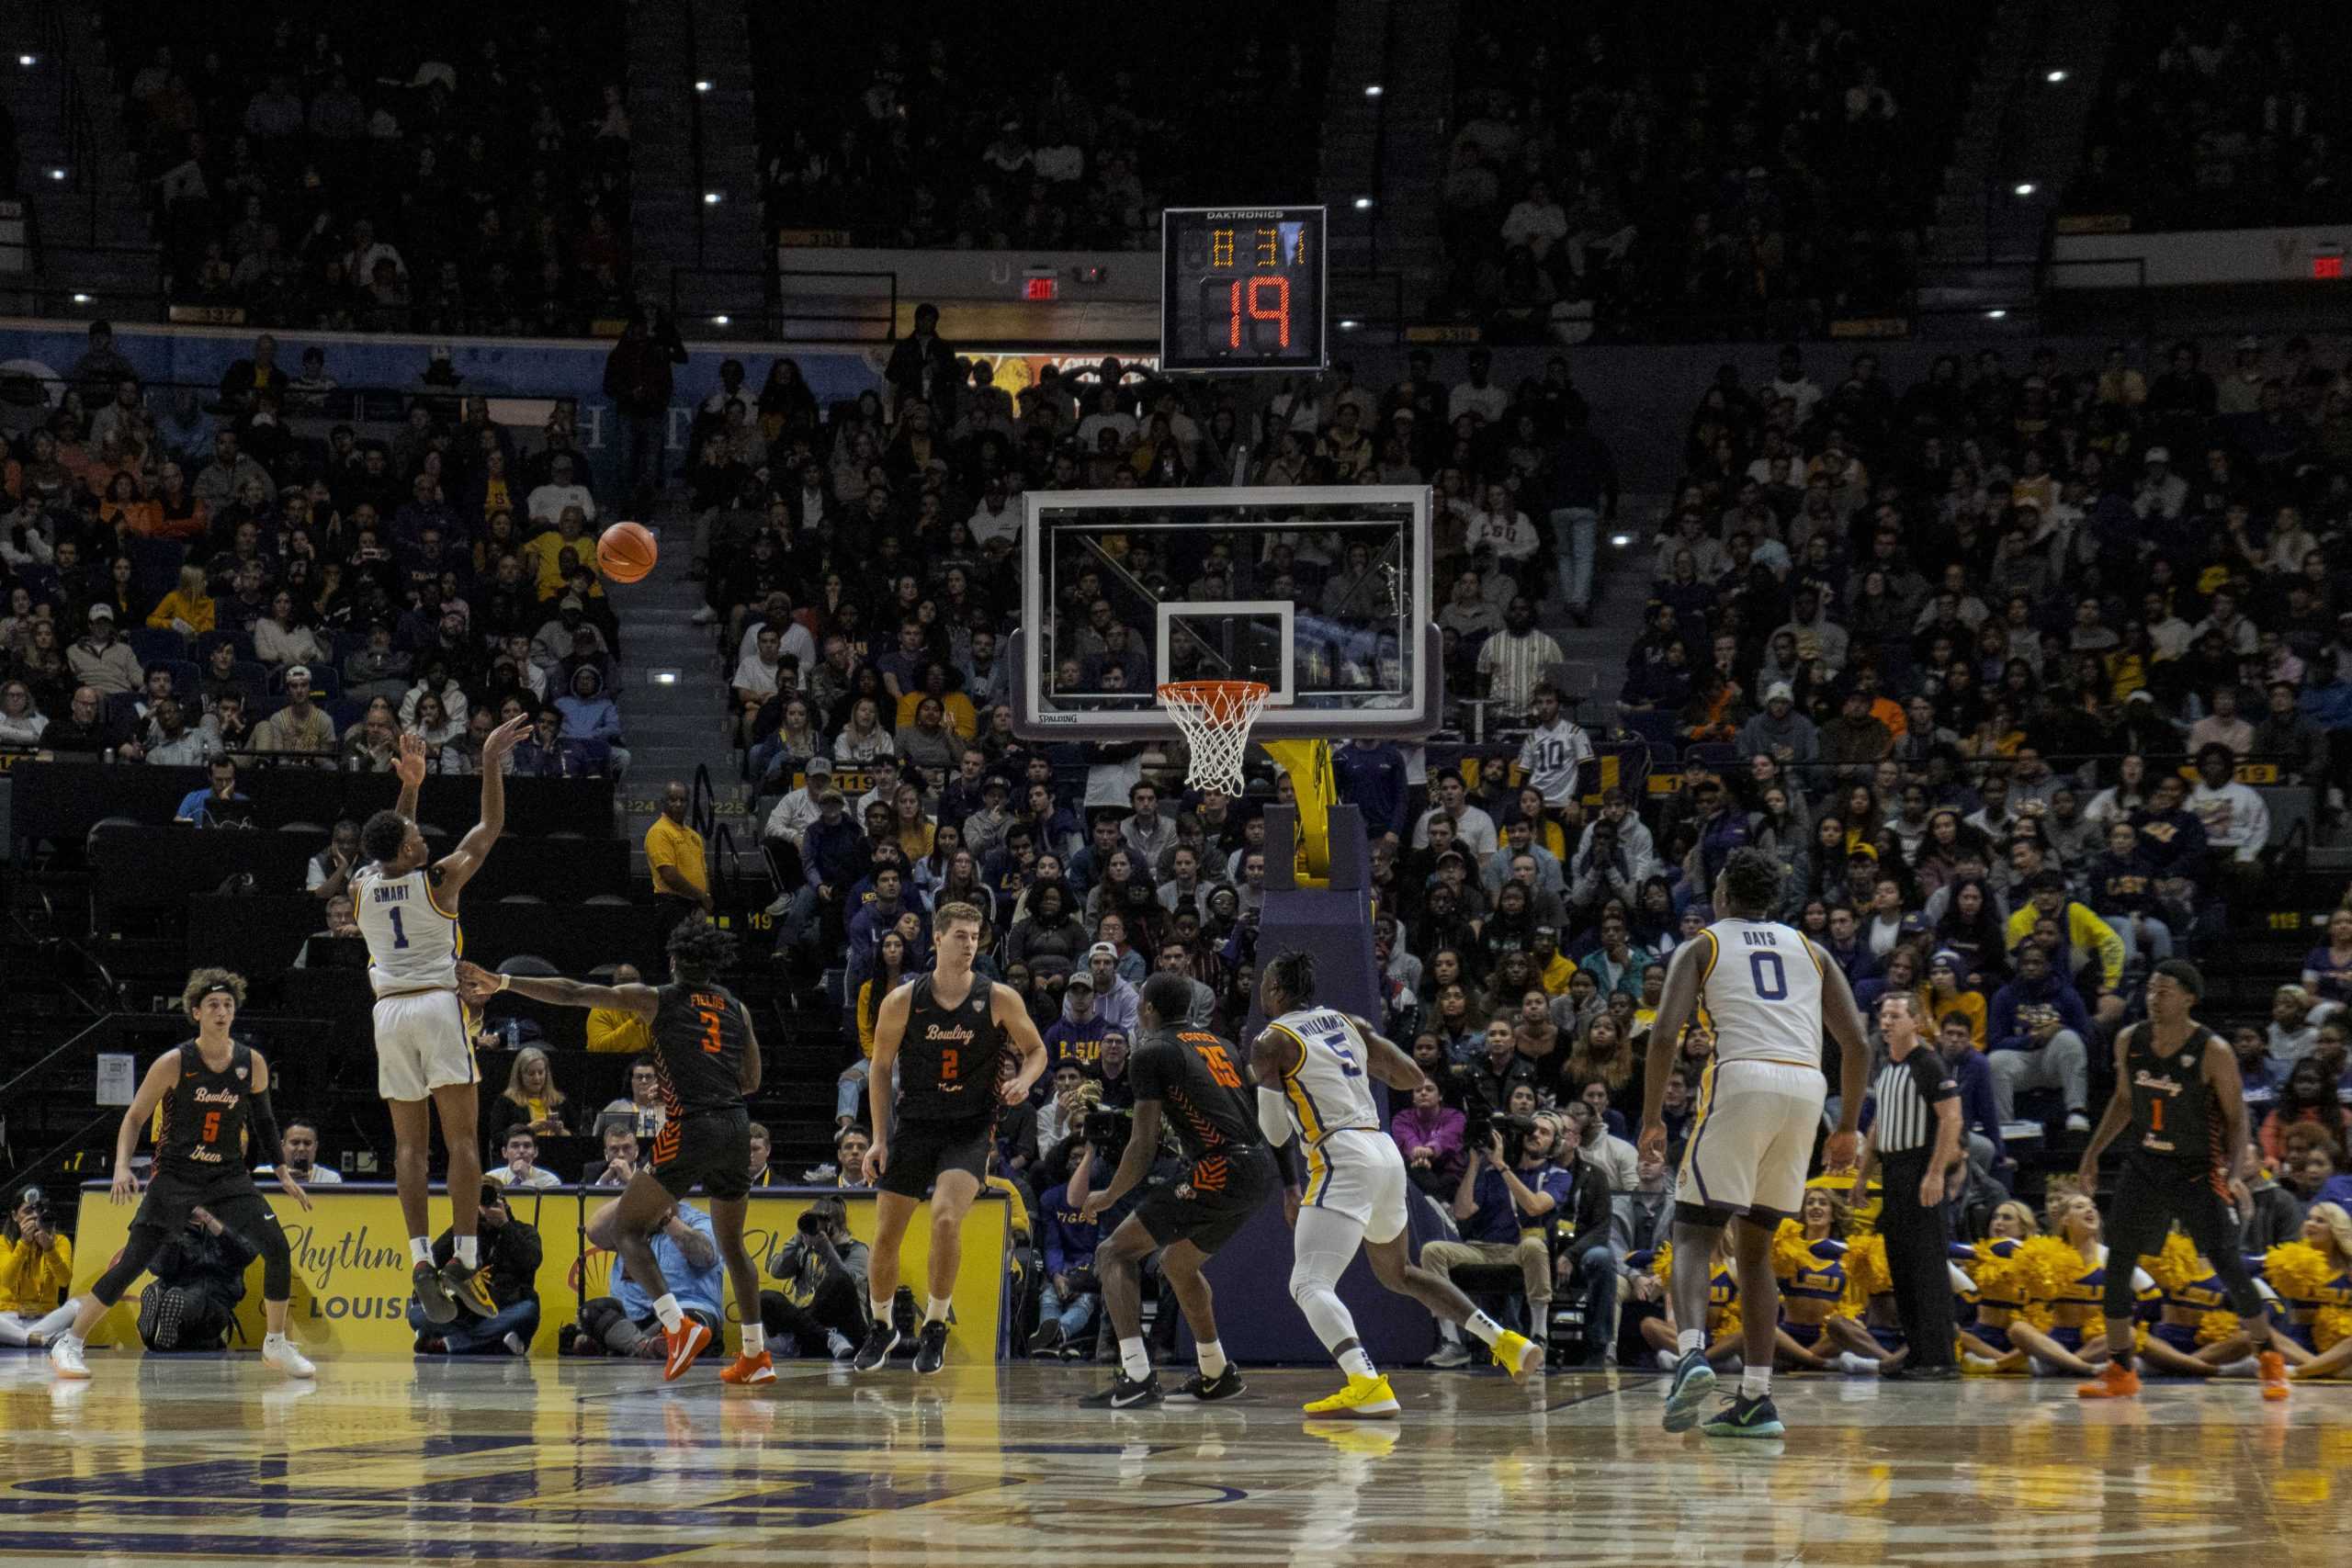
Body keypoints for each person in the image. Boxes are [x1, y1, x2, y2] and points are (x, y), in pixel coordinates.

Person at [458, 917, 766, 1383]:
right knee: (733, 1246)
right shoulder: (736, 1008)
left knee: (626, 1228)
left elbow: (571, 992)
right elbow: (751, 1082)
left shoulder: (657, 997)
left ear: (674, 960)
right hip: (737, 1128)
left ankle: (676, 1327)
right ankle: (756, 1357)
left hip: (692, 1125)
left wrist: (503, 982)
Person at [1638, 846, 1871, 1438]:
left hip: (1742, 1077)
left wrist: (1650, 1119)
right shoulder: (1813, 951)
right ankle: (1757, 1399)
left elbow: (1664, 1034)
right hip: (1806, 1088)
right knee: (1756, 1247)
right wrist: (1845, 1128)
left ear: (1722, 893)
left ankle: (1691, 1354)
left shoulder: (1705, 944)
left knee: (1692, 1232)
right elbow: (1858, 1044)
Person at [1251, 950, 1544, 1420]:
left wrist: (1276, 1093)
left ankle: (1365, 1382)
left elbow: (1274, 1132)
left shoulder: (1271, 1041)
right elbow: (1410, 1075)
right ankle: (1504, 1340)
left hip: (1340, 1153)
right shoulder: (1348, 1022)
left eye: (1264, 985)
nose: (1261, 993)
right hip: (1384, 1152)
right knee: (1399, 1273)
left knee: (1308, 1283)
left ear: (1277, 992)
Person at [46, 970, 314, 1381]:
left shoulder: (251, 1063)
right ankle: (71, 1342)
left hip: (226, 1175)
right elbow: (134, 1118)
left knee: (276, 1245)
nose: (222, 1012)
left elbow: (264, 1121)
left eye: (227, 1005)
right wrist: (121, 1166)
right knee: (133, 1263)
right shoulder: (174, 1063)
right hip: (176, 1175)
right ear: (196, 1013)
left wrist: (281, 1170)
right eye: (213, 1005)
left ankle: (275, 1343)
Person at [354, 720, 530, 1326]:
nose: (422, 835)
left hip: (387, 1015)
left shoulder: (361, 886)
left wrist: (411, 786)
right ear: (408, 851)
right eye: (415, 834)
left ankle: (421, 1260)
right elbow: (490, 829)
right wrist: (488, 761)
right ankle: (465, 1259)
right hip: (434, 1005)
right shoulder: (439, 879)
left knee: (408, 1144)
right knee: (462, 1141)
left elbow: (384, 844)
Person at [2073, 960, 2291, 1401]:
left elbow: (2236, 1121)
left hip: (2195, 1168)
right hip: (2145, 1164)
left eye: (2166, 990)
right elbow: (2122, 1101)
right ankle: (2120, 1368)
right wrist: (2092, 1153)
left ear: (2189, 997)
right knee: (2117, 1267)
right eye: (2152, 989)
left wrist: (2232, 1174)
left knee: (2227, 1263)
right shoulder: (2128, 1040)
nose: (2155, 997)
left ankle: (2270, 1357)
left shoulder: (2213, 1050)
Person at [857, 900, 1048, 1375]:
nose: (970, 944)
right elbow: (880, 1070)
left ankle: (936, 1324)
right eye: (960, 935)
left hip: (969, 1127)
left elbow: (1038, 1050)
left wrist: (1025, 1079)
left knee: (945, 1218)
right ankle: (882, 1325)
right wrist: (879, 1139)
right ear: (938, 939)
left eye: (976, 935)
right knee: (886, 1236)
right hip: (916, 1124)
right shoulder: (903, 1000)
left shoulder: (999, 997)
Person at [1074, 974, 1278, 1407]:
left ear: (1146, 1008)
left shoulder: (1151, 1052)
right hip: (1259, 1167)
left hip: (1221, 1166)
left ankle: (1137, 1375)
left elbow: (1143, 1143)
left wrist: (1108, 1195)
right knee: (1178, 1262)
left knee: (1113, 1252)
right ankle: (1216, 1372)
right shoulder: (1221, 1045)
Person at [1852, 993, 1962, 1380]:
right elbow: (1879, 1126)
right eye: (1883, 1015)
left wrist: (1935, 1174)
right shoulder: (1887, 1069)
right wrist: (1863, 1175)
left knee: (1927, 1266)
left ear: (1915, 1021)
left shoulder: (1929, 1064)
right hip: (1894, 1171)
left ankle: (1940, 1357)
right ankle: (1917, 1351)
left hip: (1920, 1169)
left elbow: (1951, 1120)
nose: (1886, 1022)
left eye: (1895, 1016)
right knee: (1901, 1267)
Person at [408, 1182, 543, 1357]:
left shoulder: (523, 1230)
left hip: (503, 1309)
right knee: (417, 1314)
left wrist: (505, 1225)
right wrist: (464, 1224)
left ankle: (451, 1343)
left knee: (528, 1311)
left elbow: (532, 1261)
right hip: (464, 1315)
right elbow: (432, 1260)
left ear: (504, 1202)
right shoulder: (464, 1235)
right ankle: (492, 1344)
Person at [759, 1196, 869, 1360]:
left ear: (835, 1225)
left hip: (845, 1329)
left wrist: (826, 1249)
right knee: (765, 1298)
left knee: (837, 1279)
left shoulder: (857, 1250)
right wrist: (798, 1237)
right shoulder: (805, 1249)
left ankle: (796, 1339)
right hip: (811, 1331)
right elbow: (777, 1271)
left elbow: (847, 1284)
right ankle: (826, 1338)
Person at [0, 1189, 78, 1348]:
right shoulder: (3, 1242)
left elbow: (64, 1281)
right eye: (28, 1211)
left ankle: (23, 1338)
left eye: (39, 1210)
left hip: (46, 1318)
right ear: (15, 1216)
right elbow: (7, 1281)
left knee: (80, 1304)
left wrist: (50, 1250)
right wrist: (23, 1244)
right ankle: (38, 1339)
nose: (35, 1216)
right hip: (9, 1318)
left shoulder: (60, 1241)